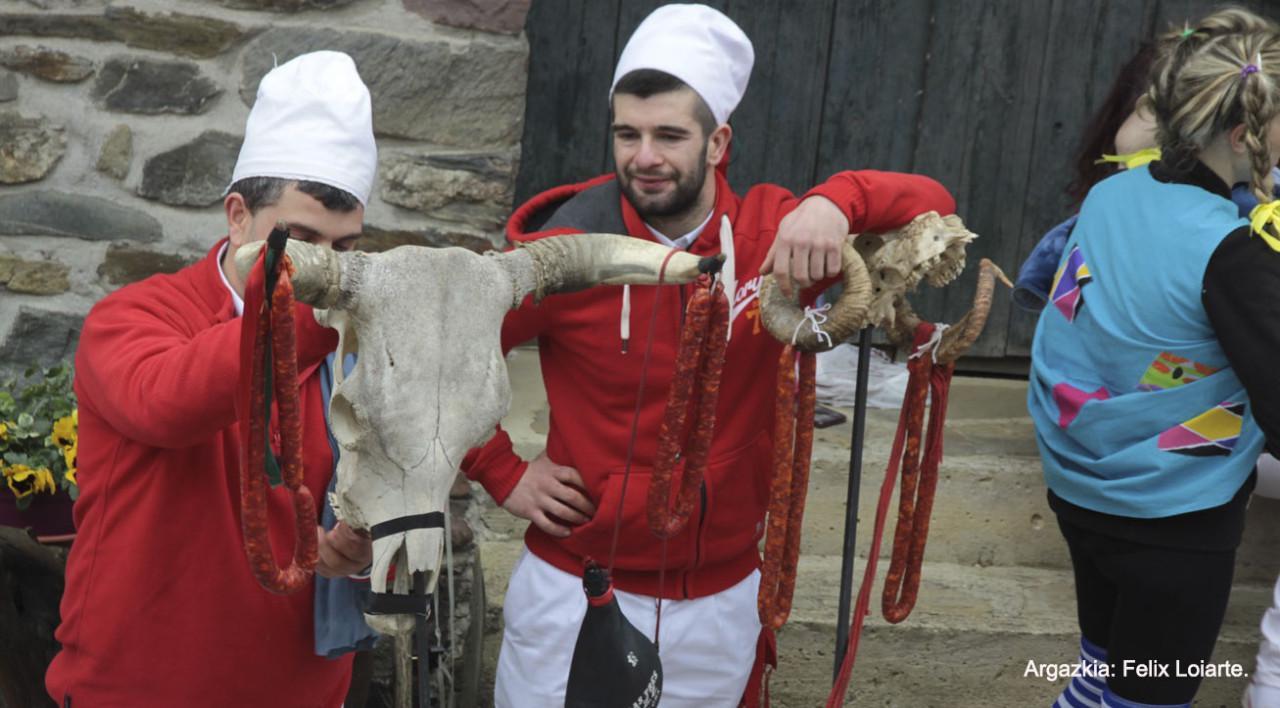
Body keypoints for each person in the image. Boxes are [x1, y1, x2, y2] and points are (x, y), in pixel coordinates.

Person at [461, 5, 957, 706]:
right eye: (627, 134)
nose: (644, 157)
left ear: (718, 141)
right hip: (576, 590)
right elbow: (434, 356)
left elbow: (934, 204)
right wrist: (500, 470)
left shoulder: (771, 234)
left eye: (669, 135)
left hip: (725, 599)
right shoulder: (561, 251)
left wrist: (835, 203)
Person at [46, 51, 377, 706]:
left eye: (345, 248)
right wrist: (310, 314)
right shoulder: (131, 318)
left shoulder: (348, 340)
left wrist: (360, 547)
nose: (328, 270)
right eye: (303, 238)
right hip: (139, 690)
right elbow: (166, 401)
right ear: (237, 215)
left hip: (303, 692)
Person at [1027, 14, 1280, 708]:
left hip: (1080, 485)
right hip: (1175, 515)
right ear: (1243, 135)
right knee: (1147, 697)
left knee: (1101, 669)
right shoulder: (1232, 250)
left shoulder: (1111, 194)